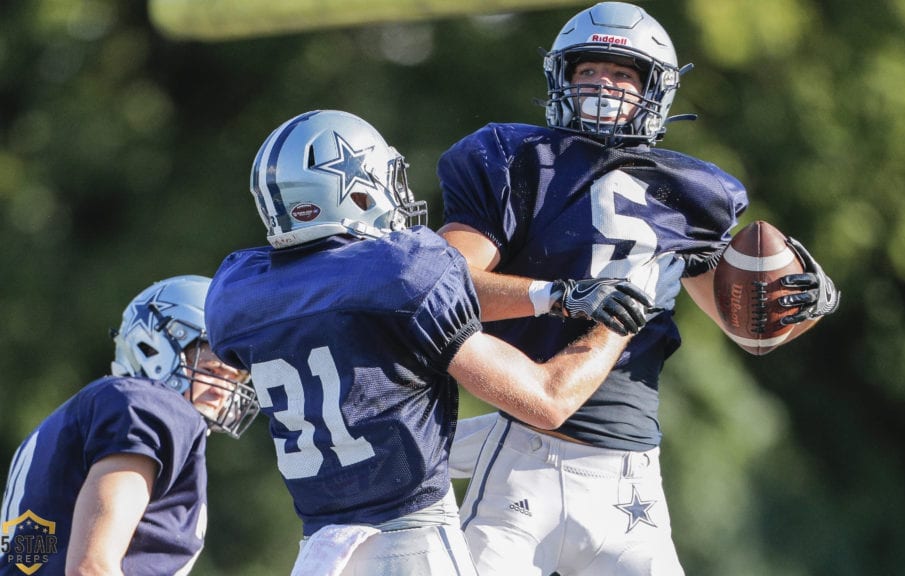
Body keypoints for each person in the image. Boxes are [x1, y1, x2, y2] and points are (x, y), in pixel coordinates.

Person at [437, 2, 842, 575]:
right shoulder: (517, 159)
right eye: (588, 72)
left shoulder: (693, 191)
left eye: (622, 74)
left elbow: (748, 329)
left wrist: (805, 305)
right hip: (522, 456)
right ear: (561, 80)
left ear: (654, 89)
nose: (604, 85)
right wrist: (560, 293)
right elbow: (441, 291)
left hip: (631, 479)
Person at [203, 109, 654, 576]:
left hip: (320, 554)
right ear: (348, 188)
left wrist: (557, 295)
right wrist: (624, 320)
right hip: (411, 548)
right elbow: (547, 400)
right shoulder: (401, 268)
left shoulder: (239, 290)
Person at [1, 275, 259, 576]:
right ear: (153, 346)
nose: (223, 390)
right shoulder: (153, 406)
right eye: (213, 369)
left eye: (235, 378)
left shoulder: (58, 427)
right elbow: (92, 567)